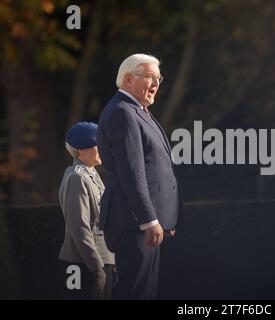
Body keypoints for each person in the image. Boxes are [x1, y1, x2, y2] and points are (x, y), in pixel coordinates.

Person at [97, 53, 183, 299]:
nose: (156, 83)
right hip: (133, 223)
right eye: (149, 77)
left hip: (140, 223)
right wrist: (149, 220)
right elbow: (131, 172)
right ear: (127, 80)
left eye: (159, 77)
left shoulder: (137, 110)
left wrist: (162, 217)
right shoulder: (123, 113)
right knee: (135, 293)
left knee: (145, 292)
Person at [58, 122, 115, 299]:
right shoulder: (77, 177)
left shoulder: (89, 173)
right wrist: (96, 267)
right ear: (80, 150)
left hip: (97, 259)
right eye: (97, 144)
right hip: (87, 262)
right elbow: (80, 227)